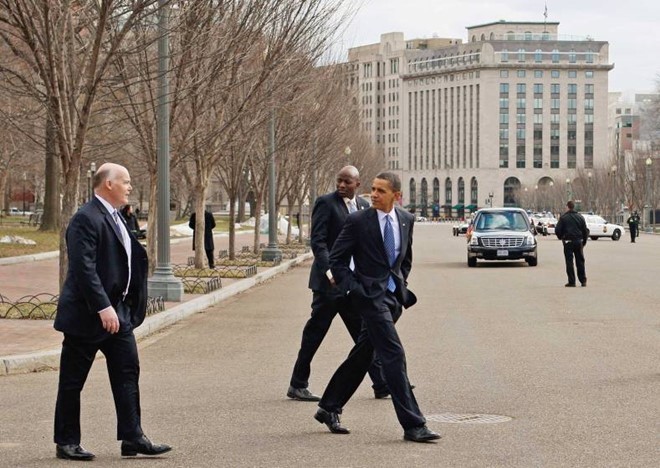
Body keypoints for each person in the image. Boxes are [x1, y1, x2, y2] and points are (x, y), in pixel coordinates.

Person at [53, 163, 171, 461]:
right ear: (108, 184)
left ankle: (132, 438)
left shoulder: (118, 217)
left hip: (119, 314)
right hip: (87, 316)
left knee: (127, 373)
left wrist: (123, 306)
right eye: (126, 182)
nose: (130, 187)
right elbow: (83, 269)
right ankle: (66, 441)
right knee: (72, 381)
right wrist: (103, 307)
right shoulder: (85, 218)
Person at [313, 171, 440, 443]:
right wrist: (356, 289)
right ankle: (413, 424)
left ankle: (328, 406)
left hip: (392, 300)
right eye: (372, 189)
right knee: (394, 355)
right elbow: (337, 260)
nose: (373, 194)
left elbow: (404, 259)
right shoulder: (358, 220)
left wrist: (399, 286)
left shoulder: (406, 219)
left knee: (363, 355)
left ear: (396, 195)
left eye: (381, 191)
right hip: (369, 300)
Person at [287, 166, 388, 401]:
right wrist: (330, 271)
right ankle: (298, 383)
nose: (341, 185)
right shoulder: (326, 203)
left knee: (365, 334)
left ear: (357, 184)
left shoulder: (364, 207)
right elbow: (319, 241)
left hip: (352, 285)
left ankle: (381, 383)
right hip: (329, 286)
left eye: (347, 182)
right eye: (339, 181)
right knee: (315, 334)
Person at [555, 200, 589, 287]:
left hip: (568, 242)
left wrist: (561, 237)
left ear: (567, 207)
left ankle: (572, 281)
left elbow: (557, 230)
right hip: (578, 241)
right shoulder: (580, 217)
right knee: (580, 261)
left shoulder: (563, 218)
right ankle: (583, 280)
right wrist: (584, 241)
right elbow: (585, 231)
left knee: (569, 262)